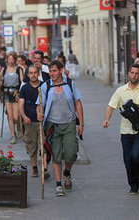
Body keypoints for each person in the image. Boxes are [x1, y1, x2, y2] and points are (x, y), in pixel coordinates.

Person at [103, 64, 139, 194]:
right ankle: (133, 185)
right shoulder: (120, 91)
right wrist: (107, 119)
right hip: (125, 131)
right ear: (129, 73)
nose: (134, 75)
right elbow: (111, 106)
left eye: (137, 73)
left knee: (135, 155)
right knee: (128, 160)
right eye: (132, 73)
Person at [36, 60, 84, 196]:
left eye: (54, 71)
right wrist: (39, 113)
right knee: (56, 155)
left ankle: (67, 172)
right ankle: (58, 185)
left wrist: (81, 124)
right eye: (50, 71)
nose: (52, 73)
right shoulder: (46, 86)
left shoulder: (70, 84)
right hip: (52, 125)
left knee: (71, 153)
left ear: (61, 70)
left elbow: (78, 103)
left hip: (69, 123)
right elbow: (40, 104)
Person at [19, 65, 50, 179]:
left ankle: (44, 168)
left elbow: (48, 102)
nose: (33, 75)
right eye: (30, 73)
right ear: (28, 75)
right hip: (30, 121)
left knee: (44, 145)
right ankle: (35, 168)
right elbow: (21, 104)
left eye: (35, 72)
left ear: (38, 73)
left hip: (43, 121)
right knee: (31, 145)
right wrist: (24, 116)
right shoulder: (25, 88)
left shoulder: (44, 86)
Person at [0, 53, 23, 144]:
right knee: (10, 116)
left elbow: (22, 83)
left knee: (16, 116)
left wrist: (21, 94)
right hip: (6, 93)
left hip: (16, 93)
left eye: (12, 59)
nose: (10, 61)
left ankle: (18, 127)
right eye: (9, 59)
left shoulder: (19, 69)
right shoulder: (4, 69)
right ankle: (12, 135)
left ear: (15, 60)